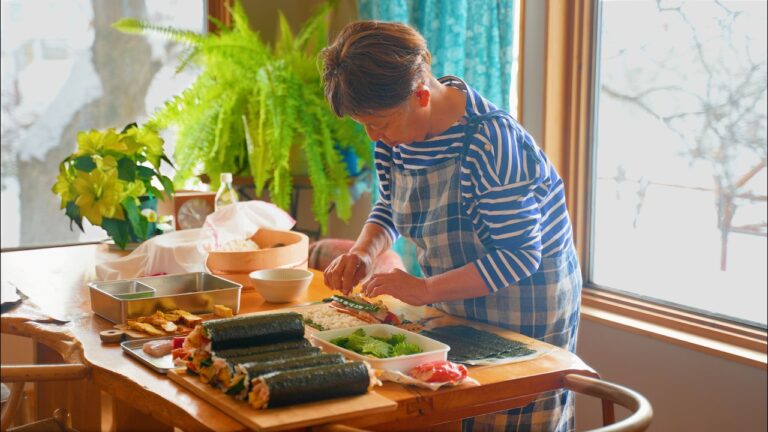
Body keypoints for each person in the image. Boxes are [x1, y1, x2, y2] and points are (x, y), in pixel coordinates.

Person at [320, 20, 581, 432]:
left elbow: (520, 255)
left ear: (421, 94)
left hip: (527, 305)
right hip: (456, 297)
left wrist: (425, 290)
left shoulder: (490, 142)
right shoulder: (394, 139)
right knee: (461, 407)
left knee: (509, 416)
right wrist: (362, 253)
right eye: (364, 125)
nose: (374, 137)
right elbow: (390, 205)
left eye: (379, 123)